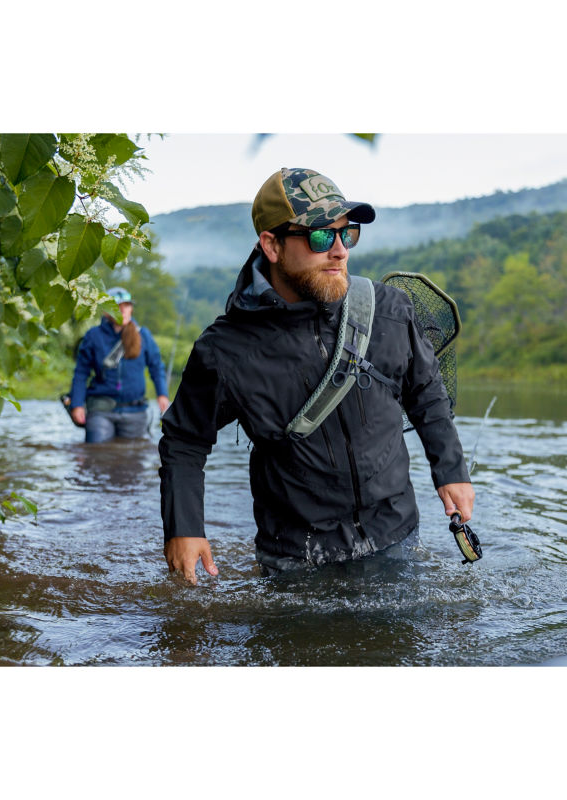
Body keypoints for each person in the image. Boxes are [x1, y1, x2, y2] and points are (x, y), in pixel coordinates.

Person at [159, 168, 474, 582]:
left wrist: (451, 470)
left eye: (348, 234)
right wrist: (184, 528)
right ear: (271, 246)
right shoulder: (226, 350)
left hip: (395, 534)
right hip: (295, 559)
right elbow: (184, 440)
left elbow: (426, 392)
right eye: (321, 237)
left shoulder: (391, 310)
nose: (340, 251)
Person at [69, 286, 170, 443]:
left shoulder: (143, 335)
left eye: (126, 305)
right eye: (116, 306)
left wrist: (162, 394)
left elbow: (156, 367)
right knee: (97, 456)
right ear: (105, 311)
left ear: (131, 309)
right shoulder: (93, 336)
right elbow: (81, 373)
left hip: (136, 412)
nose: (122, 310)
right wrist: (77, 404)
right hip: (100, 410)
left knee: (132, 461)